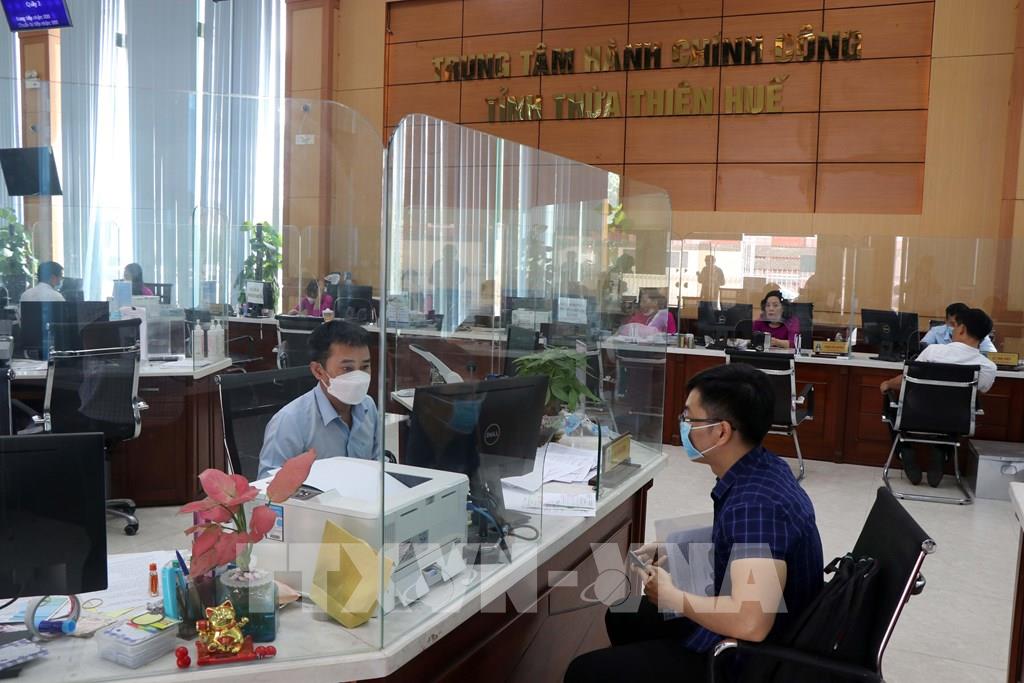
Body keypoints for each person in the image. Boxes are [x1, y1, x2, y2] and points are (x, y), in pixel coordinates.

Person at [565, 364, 824, 682]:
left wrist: (673, 597)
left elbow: (750, 623)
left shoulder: (757, 504)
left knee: (584, 672)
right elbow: (746, 540)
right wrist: (676, 546)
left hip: (749, 660)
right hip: (754, 629)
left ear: (722, 432)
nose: (683, 425)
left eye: (689, 418)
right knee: (623, 614)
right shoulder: (761, 468)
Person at [880, 307, 997, 488]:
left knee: (891, 401)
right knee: (958, 406)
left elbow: (906, 380)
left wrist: (887, 384)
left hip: (916, 416)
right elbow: (982, 390)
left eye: (954, 326)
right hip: (957, 421)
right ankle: (942, 451)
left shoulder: (933, 352)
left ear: (961, 329)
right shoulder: (988, 367)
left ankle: (904, 451)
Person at [258, 320, 379, 478]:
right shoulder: (290, 421)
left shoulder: (368, 406)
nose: (359, 377)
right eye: (347, 368)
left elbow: (377, 464)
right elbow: (269, 486)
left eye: (365, 367)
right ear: (318, 371)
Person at [921, 302, 996, 353]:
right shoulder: (936, 331)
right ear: (946, 321)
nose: (955, 327)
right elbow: (922, 347)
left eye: (959, 323)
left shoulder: (977, 334)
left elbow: (992, 355)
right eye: (952, 323)